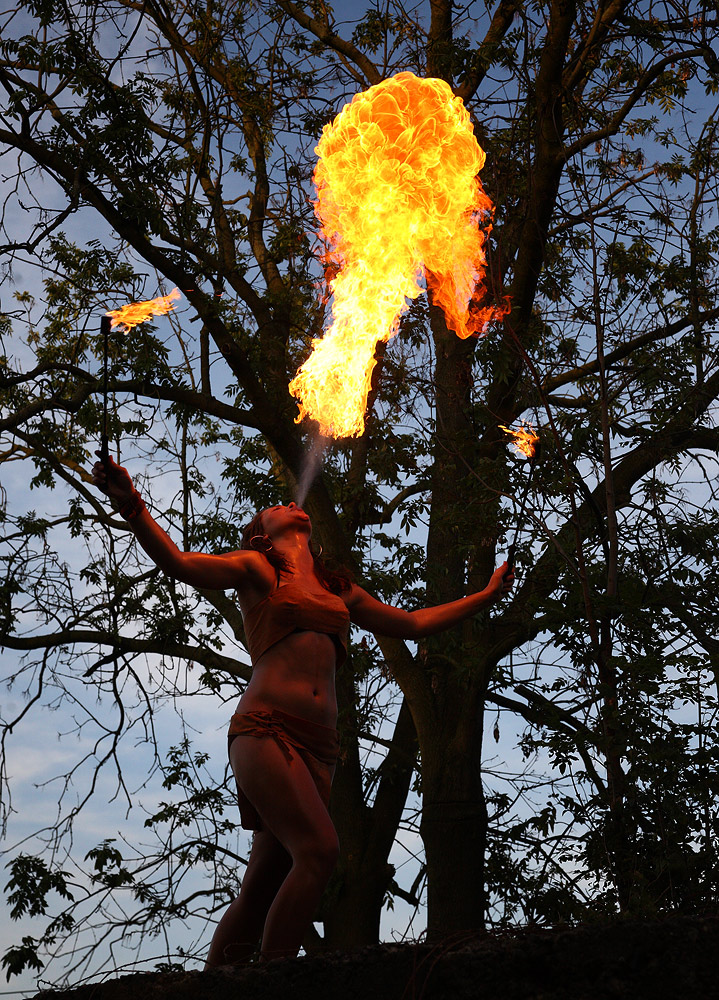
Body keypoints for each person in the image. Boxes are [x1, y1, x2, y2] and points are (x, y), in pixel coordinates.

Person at [91, 454, 514, 965]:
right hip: (266, 731)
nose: (293, 502)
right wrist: (131, 504)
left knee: (261, 886)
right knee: (319, 852)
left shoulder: (339, 590)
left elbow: (415, 623)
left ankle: (212, 987)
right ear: (261, 532)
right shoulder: (257, 568)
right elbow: (180, 563)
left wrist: (485, 596)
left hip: (320, 749)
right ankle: (277, 982)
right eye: (277, 504)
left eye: (293, 500)